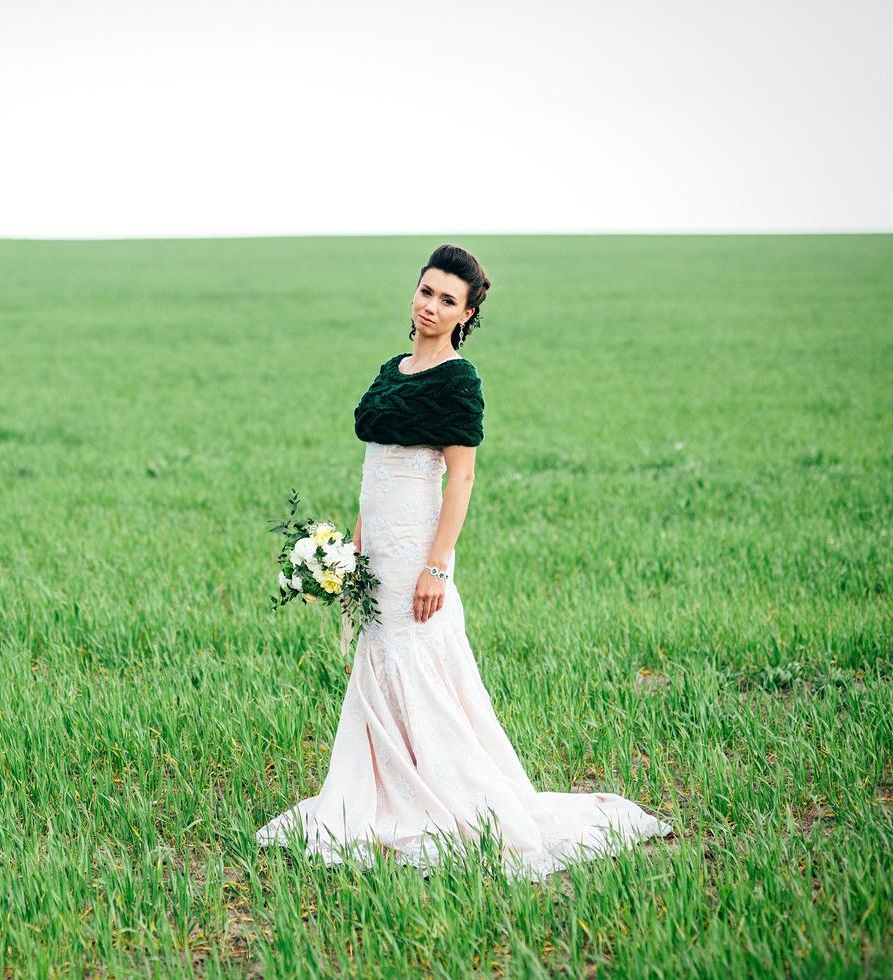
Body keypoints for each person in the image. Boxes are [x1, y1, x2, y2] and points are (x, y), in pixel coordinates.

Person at [254, 244, 674, 880]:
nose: (431, 306)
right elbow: (374, 470)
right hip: (378, 545)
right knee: (377, 664)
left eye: (447, 300)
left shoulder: (459, 380)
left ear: (467, 312)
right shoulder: (389, 369)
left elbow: (462, 479)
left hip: (419, 548)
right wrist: (351, 550)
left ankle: (447, 799)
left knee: (420, 663)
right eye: (426, 291)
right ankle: (381, 790)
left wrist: (437, 567)